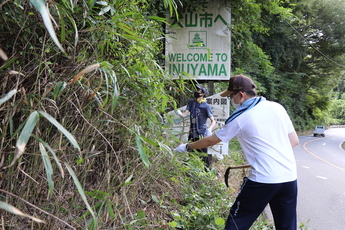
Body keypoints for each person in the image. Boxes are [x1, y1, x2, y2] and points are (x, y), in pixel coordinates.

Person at [174, 74, 299, 230]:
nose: (230, 100)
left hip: (263, 180)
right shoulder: (277, 107)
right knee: (287, 226)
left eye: (232, 96)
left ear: (241, 95)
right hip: (289, 178)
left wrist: (187, 147)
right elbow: (294, 141)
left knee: (236, 223)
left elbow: (211, 140)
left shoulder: (242, 117)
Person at [176, 85, 216, 168]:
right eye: (197, 90)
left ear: (203, 94)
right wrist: (179, 113)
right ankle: (191, 171)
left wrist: (209, 129)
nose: (196, 91)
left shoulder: (205, 106)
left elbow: (213, 121)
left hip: (201, 133)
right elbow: (184, 115)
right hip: (192, 132)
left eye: (199, 90)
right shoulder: (191, 102)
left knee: (203, 155)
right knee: (191, 152)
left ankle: (207, 172)